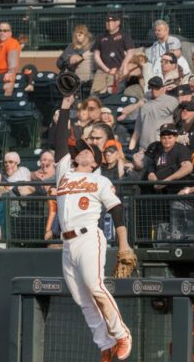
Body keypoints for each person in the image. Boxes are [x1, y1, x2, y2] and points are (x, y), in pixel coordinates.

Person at [53, 90, 133, 362]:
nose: (80, 150)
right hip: (67, 243)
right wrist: (66, 106)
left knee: (95, 287)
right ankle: (105, 345)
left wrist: (124, 244)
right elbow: (60, 141)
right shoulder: (64, 172)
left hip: (89, 238)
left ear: (95, 159)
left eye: (86, 149)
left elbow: (117, 210)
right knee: (82, 299)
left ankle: (121, 334)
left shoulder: (99, 181)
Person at [129, 77, 179, 151]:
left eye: (156, 88)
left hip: (162, 148)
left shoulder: (171, 101)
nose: (153, 91)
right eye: (151, 88)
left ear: (163, 88)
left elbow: (179, 119)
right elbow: (137, 130)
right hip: (143, 149)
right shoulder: (144, 104)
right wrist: (131, 149)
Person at [91, 13, 135, 96]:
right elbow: (96, 55)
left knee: (113, 93)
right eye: (107, 21)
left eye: (112, 21)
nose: (109, 23)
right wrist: (106, 70)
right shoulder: (100, 37)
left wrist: (123, 66)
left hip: (119, 70)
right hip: (103, 71)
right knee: (95, 94)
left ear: (118, 22)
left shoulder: (125, 35)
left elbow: (131, 52)